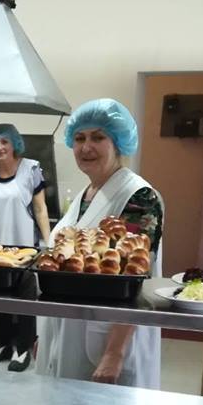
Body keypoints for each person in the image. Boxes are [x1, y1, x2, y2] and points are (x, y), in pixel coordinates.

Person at [37, 99, 165, 388]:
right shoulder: (85, 194)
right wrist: (47, 335)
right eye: (79, 138)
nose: (86, 147)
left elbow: (137, 280)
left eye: (98, 137)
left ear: (118, 143)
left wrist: (114, 352)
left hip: (107, 338)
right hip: (67, 329)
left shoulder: (138, 197)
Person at [0, 123, 51, 372]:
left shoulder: (31, 169)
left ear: (14, 144)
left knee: (25, 296)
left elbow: (40, 208)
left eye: (4, 142)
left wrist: (48, 243)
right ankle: (4, 342)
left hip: (23, 244)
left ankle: (23, 346)